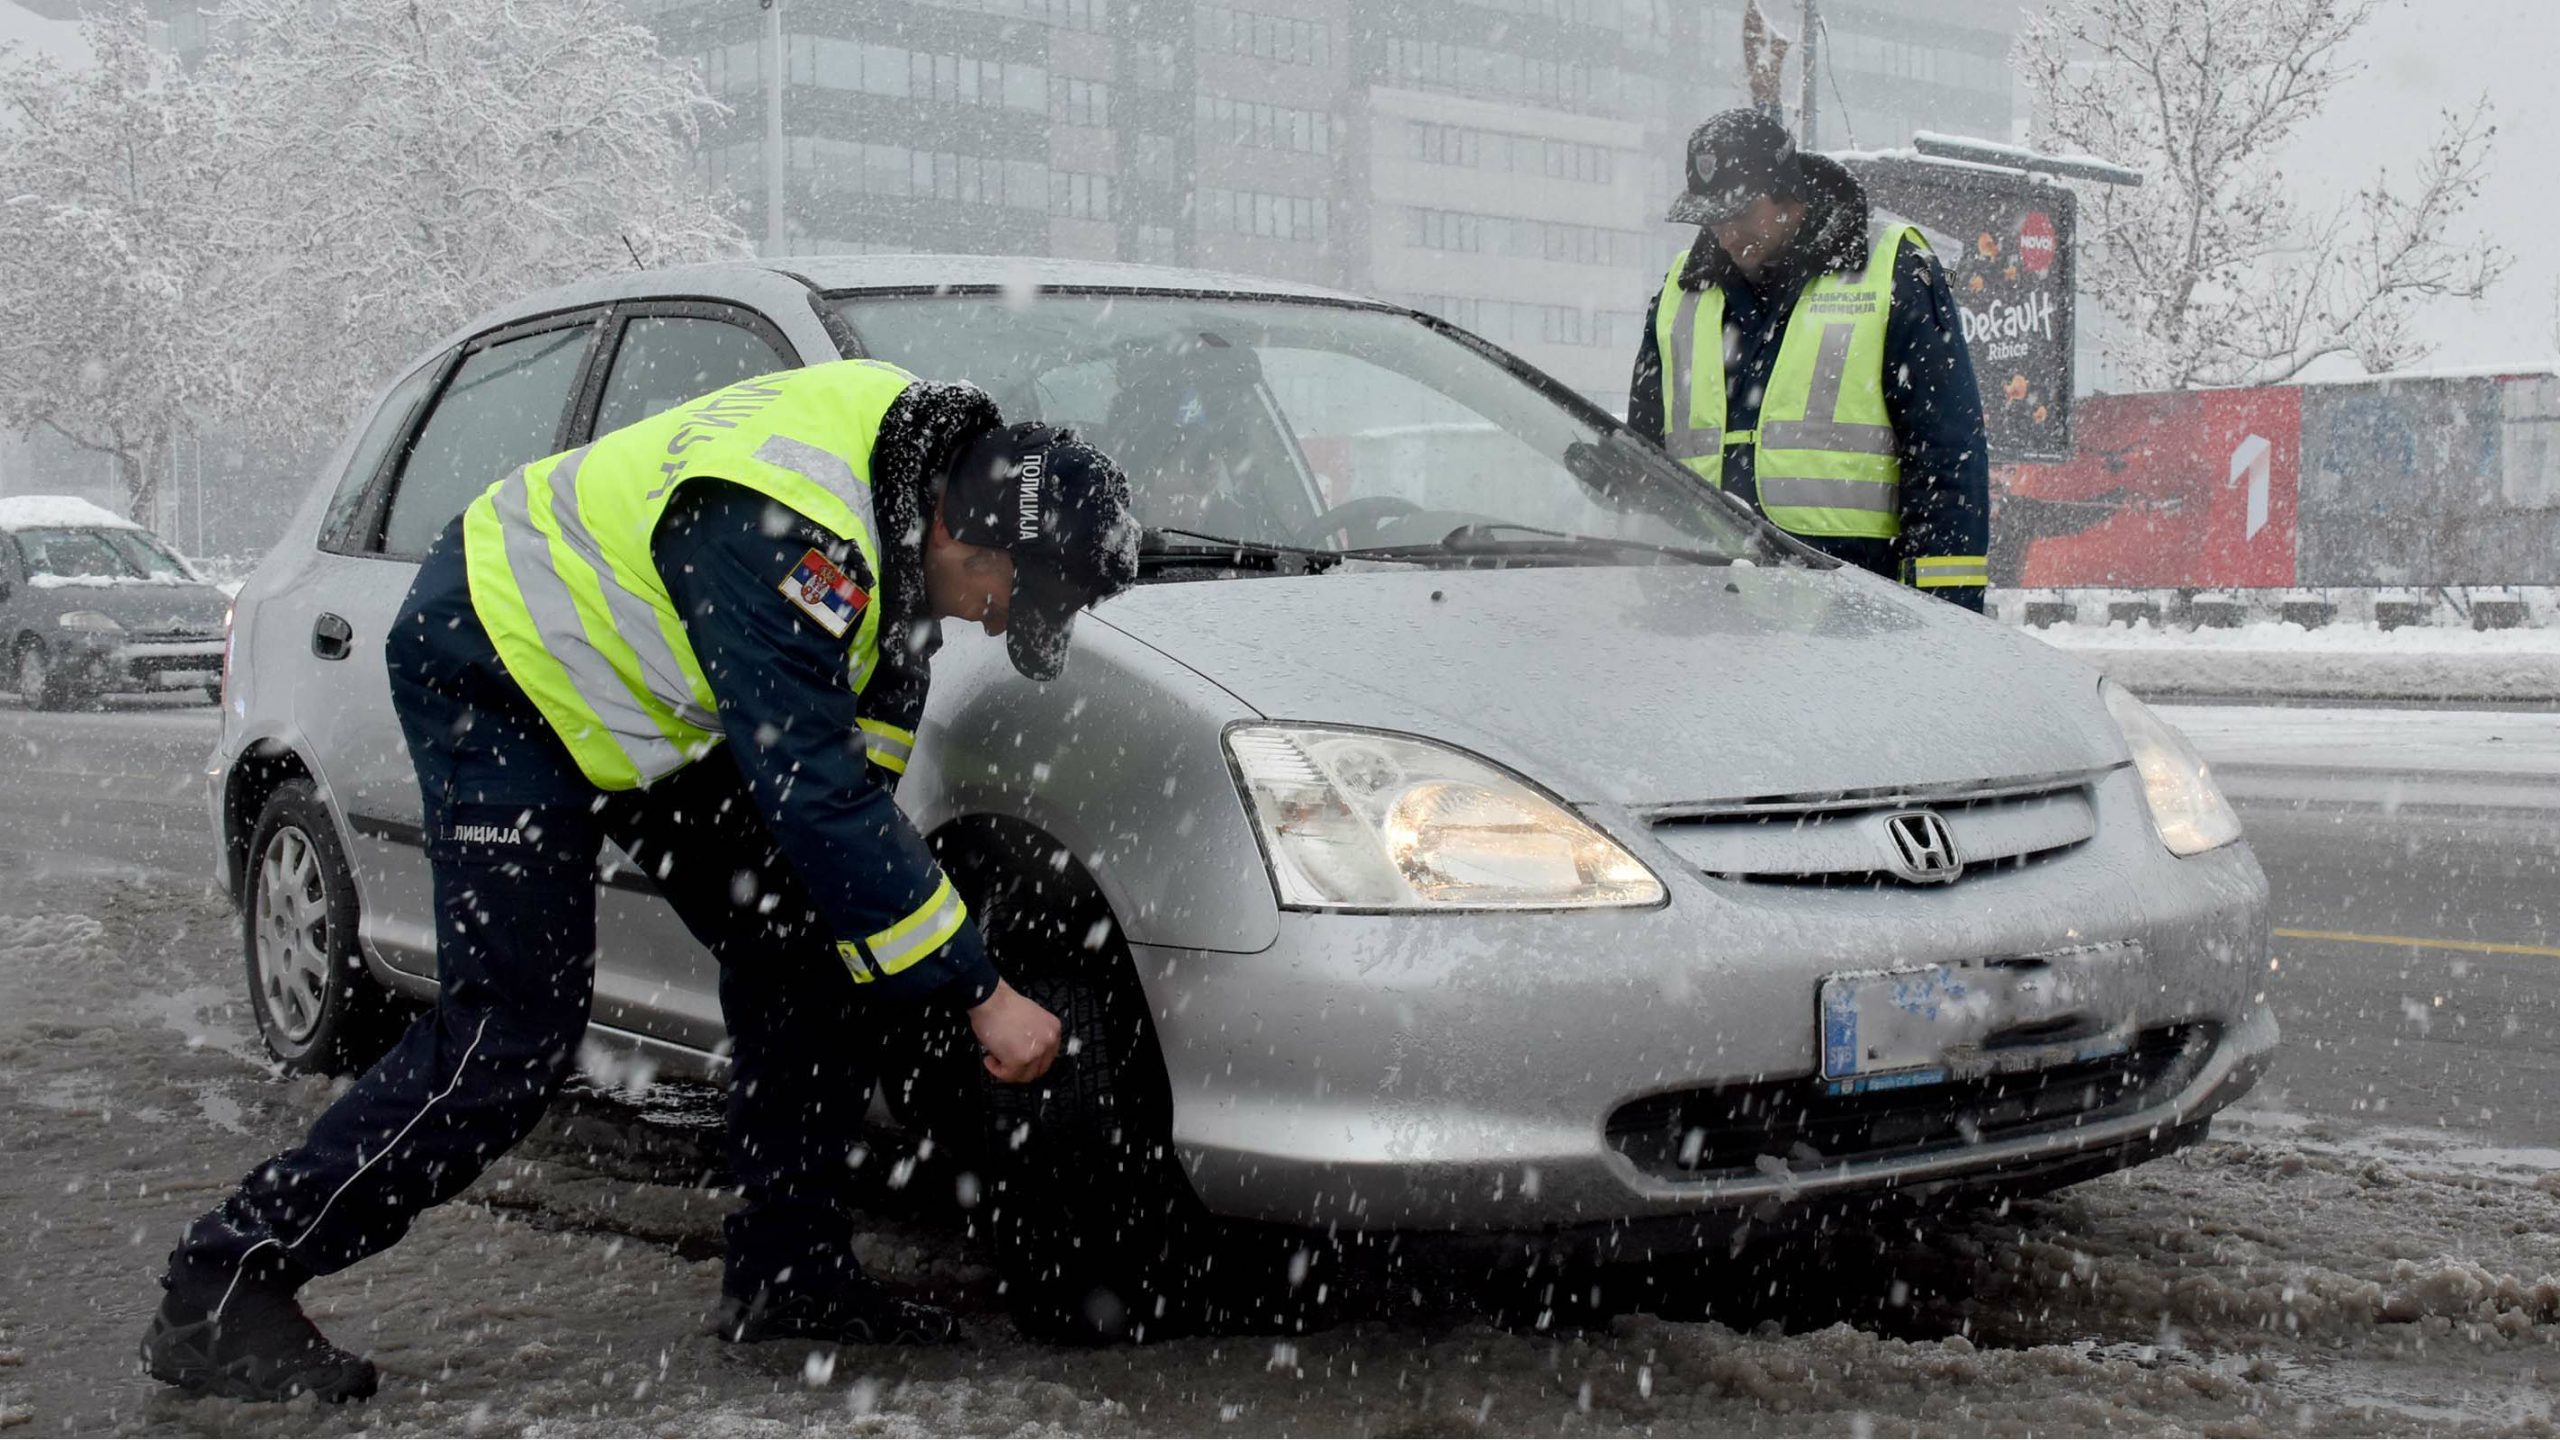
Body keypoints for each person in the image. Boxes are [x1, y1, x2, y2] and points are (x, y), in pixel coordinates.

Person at [140, 357, 1141, 1403]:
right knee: (512, 1034)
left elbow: (855, 797)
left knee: (806, 940)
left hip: (642, 692)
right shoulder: (792, 531)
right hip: (501, 655)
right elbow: (821, 800)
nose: (994, 624)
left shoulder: (910, 498)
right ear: (968, 540)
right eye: (1009, 600)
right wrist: (981, 992)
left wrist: (891, 944)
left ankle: (788, 1275)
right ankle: (226, 1282)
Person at [1629, 108, 1991, 611]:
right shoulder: (1680, 292)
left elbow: (1948, 460)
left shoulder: (1893, 270)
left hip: (1852, 612)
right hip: (1705, 614)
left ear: (1786, 191)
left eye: (1739, 213)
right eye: (1711, 218)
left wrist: (1947, 616)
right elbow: (1644, 462)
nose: (1725, 235)